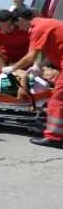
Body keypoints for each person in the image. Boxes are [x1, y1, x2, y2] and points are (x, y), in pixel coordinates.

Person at [7, 8, 63, 147]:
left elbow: (30, 56)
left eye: (18, 25)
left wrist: (12, 69)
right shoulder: (48, 24)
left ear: (20, 20)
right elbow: (54, 50)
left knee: (57, 100)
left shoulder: (37, 28)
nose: (20, 29)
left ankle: (54, 138)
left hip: (6, 82)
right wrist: (39, 66)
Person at [0, 9, 29, 75]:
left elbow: (34, 50)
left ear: (14, 22)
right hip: (3, 56)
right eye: (1, 27)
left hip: (23, 56)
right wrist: (4, 69)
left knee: (26, 76)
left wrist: (16, 66)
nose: (5, 29)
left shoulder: (23, 28)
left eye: (8, 26)